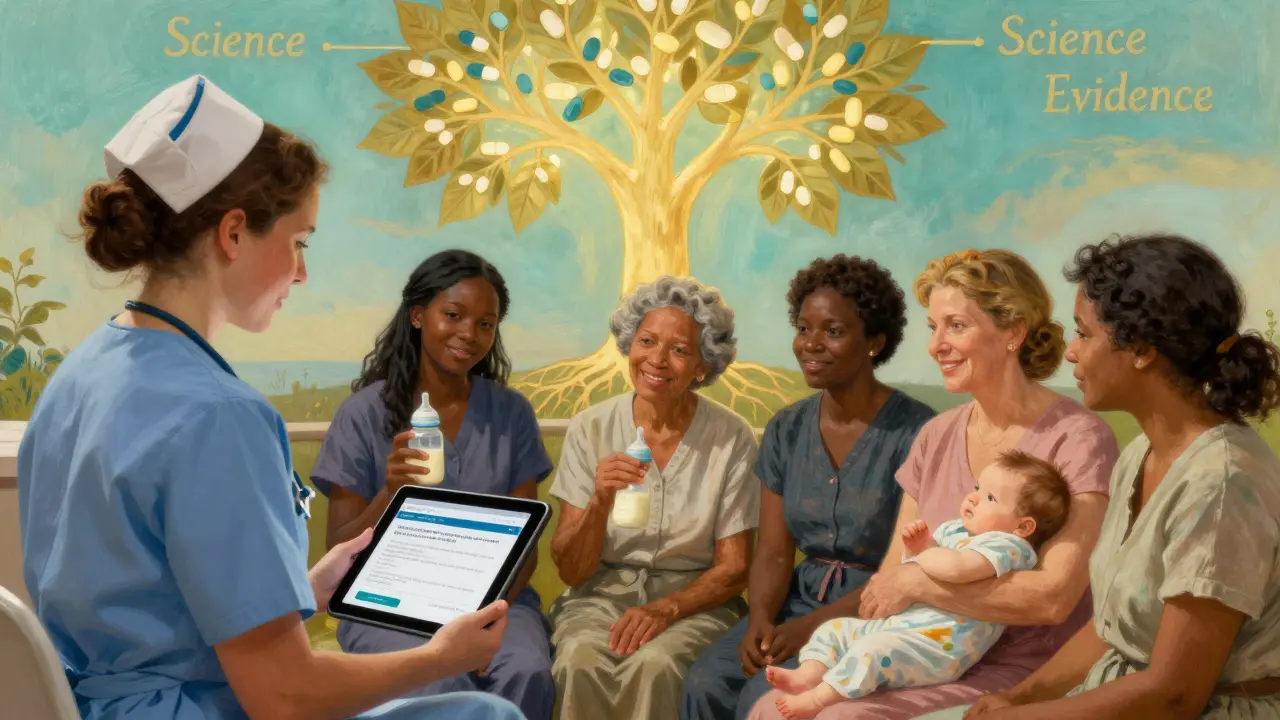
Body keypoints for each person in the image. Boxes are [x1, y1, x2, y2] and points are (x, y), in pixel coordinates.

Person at [16, 75, 521, 720]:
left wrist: (302, 590)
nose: (302, 272)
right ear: (233, 232)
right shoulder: (219, 417)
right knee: (485, 714)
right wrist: (439, 658)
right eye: (298, 242)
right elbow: (284, 697)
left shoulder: (81, 374)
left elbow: (151, 603)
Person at [748, 249, 1119, 719]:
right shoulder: (936, 435)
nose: (936, 345)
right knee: (769, 710)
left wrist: (918, 581)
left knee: (845, 718)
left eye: (956, 326)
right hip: (919, 655)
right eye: (932, 327)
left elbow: (1051, 598)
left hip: (1027, 671)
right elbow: (889, 579)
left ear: (1013, 332)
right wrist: (889, 600)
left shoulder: (1079, 439)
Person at [963, 234, 1280, 719]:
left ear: (1140, 349)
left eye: (1084, 334)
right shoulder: (1138, 457)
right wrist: (1020, 697)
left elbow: (1175, 695)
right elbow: (1113, 629)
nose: (1070, 353)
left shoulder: (1221, 484)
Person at [680, 255, 935, 720]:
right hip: (793, 604)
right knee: (704, 683)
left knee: (763, 695)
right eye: (803, 328)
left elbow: (906, 571)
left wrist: (810, 629)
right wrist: (759, 619)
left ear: (875, 342)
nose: (810, 344)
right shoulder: (787, 429)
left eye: (833, 332)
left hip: (877, 614)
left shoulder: (918, 433)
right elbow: (775, 554)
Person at [311, 249, 555, 719]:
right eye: (453, 315)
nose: (470, 334)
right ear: (418, 315)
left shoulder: (511, 415)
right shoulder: (364, 415)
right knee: (436, 676)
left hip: (495, 600)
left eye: (486, 324)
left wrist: (487, 613)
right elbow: (337, 552)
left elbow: (527, 548)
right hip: (391, 600)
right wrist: (390, 493)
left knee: (525, 670)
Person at [548, 276, 761, 719]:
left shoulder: (731, 438)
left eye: (680, 350)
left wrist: (666, 609)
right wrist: (599, 501)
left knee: (657, 665)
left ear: (703, 366)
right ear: (629, 345)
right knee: (579, 660)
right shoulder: (591, 428)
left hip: (694, 604)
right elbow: (570, 567)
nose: (657, 360)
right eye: (647, 341)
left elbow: (735, 567)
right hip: (598, 596)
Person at [768, 450, 1071, 718]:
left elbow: (957, 569)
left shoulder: (1007, 546)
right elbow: (911, 570)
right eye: (978, 488)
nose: (974, 497)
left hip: (936, 647)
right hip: (903, 628)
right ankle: (809, 675)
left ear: (1023, 526)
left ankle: (819, 697)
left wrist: (924, 551)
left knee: (871, 652)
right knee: (835, 630)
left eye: (991, 498)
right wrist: (914, 550)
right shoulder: (957, 531)